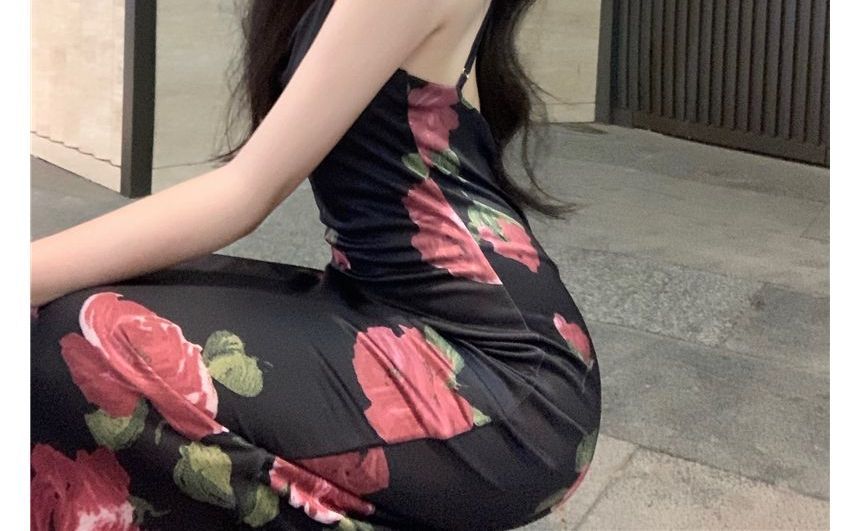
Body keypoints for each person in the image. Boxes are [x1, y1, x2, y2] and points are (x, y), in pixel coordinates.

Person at [29, 0, 601, 529]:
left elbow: (244, 194)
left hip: (502, 377)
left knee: (78, 336)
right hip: (384, 306)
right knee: (79, 312)